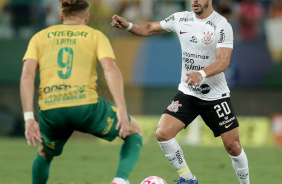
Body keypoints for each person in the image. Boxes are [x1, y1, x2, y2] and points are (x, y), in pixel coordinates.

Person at [111, 0, 250, 184]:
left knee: (233, 146)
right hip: (188, 93)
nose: (194, 1)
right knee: (162, 133)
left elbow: (224, 61)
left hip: (215, 96)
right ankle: (188, 178)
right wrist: (128, 26)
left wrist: (201, 73)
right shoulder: (180, 18)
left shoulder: (222, 25)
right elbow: (149, 28)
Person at [20, 0, 142, 184]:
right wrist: (122, 109)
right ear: (87, 17)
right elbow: (110, 69)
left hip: (52, 110)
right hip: (85, 107)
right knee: (134, 131)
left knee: (44, 153)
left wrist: (29, 118)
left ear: (61, 17)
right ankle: (120, 180)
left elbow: (27, 76)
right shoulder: (95, 35)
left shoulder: (39, 37)